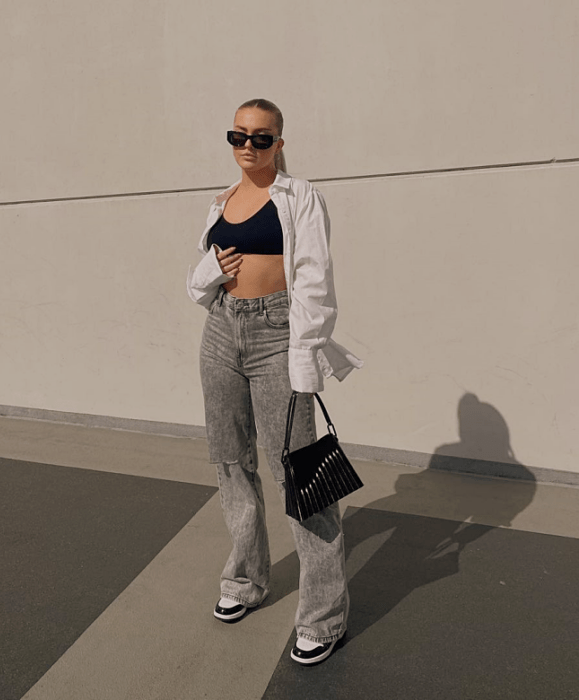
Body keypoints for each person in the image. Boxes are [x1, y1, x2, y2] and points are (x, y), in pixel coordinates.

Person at [186, 98, 362, 665]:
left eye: (261, 137)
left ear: (279, 143)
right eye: (238, 135)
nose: (248, 145)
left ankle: (323, 615)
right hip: (221, 333)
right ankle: (245, 580)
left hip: (277, 332)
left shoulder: (299, 196)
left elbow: (314, 277)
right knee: (231, 460)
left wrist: (305, 357)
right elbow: (197, 280)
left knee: (302, 472)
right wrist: (212, 271)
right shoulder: (220, 201)